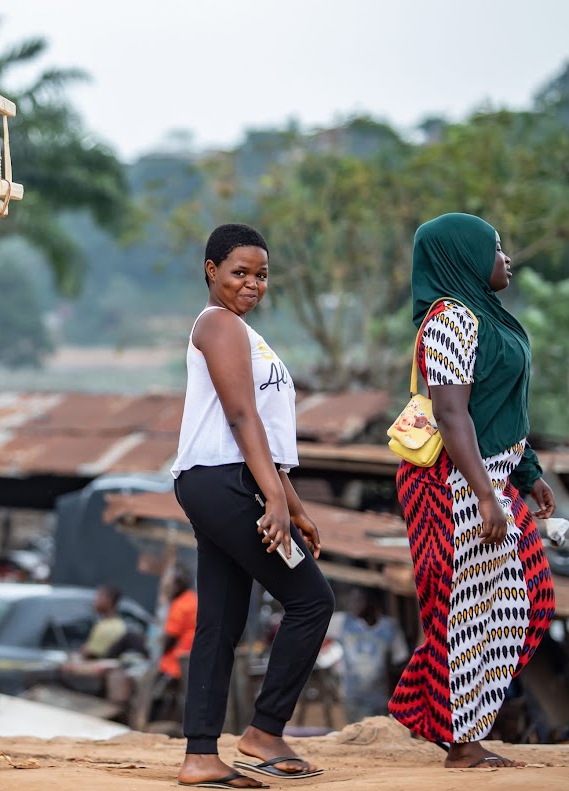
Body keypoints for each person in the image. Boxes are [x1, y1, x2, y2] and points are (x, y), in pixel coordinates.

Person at [388, 213, 557, 769]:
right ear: (463, 256)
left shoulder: (485, 315)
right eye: (496, 247)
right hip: (452, 485)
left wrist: (526, 473)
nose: (507, 258)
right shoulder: (450, 320)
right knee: (465, 610)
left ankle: (433, 708)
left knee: (525, 602)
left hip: (491, 480)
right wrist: (487, 496)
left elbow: (500, 407)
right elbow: (452, 412)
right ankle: (461, 741)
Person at [171, 223, 333, 788]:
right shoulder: (216, 323)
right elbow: (242, 420)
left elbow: (263, 433)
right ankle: (265, 731)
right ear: (211, 271)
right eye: (240, 272)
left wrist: (294, 503)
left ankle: (199, 754)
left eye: (261, 275)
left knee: (220, 618)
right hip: (225, 483)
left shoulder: (242, 332)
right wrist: (272, 499)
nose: (252, 284)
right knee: (312, 599)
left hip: (227, 482)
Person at [327, 588, 409, 724]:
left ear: (372, 602)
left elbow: (400, 660)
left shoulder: (389, 628)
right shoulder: (343, 622)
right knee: (358, 737)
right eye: (352, 600)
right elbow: (316, 623)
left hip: (380, 700)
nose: (353, 605)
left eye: (359, 600)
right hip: (353, 698)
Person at [158, 568, 197, 683]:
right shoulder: (193, 599)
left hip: (176, 662)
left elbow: (170, 638)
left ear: (177, 586)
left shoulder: (179, 605)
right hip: (192, 658)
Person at [81, 585, 127, 659]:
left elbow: (90, 654)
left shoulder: (109, 627)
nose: (94, 601)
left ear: (108, 600)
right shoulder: (118, 624)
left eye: (98, 597)